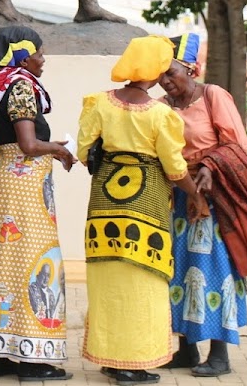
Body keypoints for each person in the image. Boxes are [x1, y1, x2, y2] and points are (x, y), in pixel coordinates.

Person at [77, 35, 208, 385]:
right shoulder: (160, 114)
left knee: (108, 280)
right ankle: (131, 365)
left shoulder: (98, 103)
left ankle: (110, 358)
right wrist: (196, 195)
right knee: (143, 283)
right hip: (146, 204)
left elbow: (84, 151)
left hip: (103, 204)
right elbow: (175, 168)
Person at [157, 33, 247, 377]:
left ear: (191, 69)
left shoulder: (213, 96)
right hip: (181, 198)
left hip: (216, 200)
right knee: (180, 271)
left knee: (215, 271)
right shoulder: (162, 106)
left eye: (171, 73)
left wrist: (210, 166)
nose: (165, 81)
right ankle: (187, 349)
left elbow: (236, 146)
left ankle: (220, 354)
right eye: (161, 75)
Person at [0, 26, 75, 381]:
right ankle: (33, 362)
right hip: (22, 191)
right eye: (39, 53)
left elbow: (10, 142)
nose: (43, 59)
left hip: (3, 181)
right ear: (22, 55)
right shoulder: (19, 85)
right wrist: (60, 149)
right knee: (33, 268)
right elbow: (29, 146)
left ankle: (0, 356)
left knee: (5, 270)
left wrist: (53, 148)